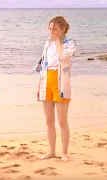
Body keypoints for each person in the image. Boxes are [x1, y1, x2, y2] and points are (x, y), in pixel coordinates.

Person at [34, 16, 77, 161]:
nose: (52, 32)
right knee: (48, 120)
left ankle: (64, 152)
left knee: (62, 121)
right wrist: (39, 85)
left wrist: (58, 41)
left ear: (63, 29)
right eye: (50, 29)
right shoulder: (47, 44)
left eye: (55, 29)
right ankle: (51, 151)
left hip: (61, 83)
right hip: (47, 82)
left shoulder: (70, 44)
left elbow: (63, 58)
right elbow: (43, 65)